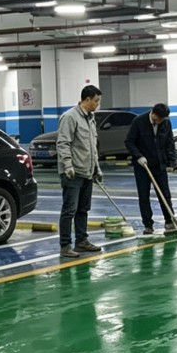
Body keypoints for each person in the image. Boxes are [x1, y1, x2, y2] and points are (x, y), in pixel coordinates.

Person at [56, 84, 104, 259]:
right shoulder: (70, 117)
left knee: (83, 209)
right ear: (87, 99)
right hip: (73, 173)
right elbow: (63, 143)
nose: (98, 104)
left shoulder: (91, 119)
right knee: (70, 209)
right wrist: (68, 166)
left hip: (87, 172)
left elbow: (92, 147)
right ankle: (65, 245)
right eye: (96, 101)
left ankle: (82, 241)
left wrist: (97, 169)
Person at [125, 102, 177, 235]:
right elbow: (129, 142)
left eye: (163, 119)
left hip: (159, 165)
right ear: (153, 114)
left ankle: (169, 221)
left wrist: (174, 162)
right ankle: (148, 225)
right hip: (142, 166)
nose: (160, 121)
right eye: (159, 118)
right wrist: (138, 156)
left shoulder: (165, 123)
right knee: (144, 196)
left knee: (165, 195)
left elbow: (169, 143)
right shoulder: (139, 121)